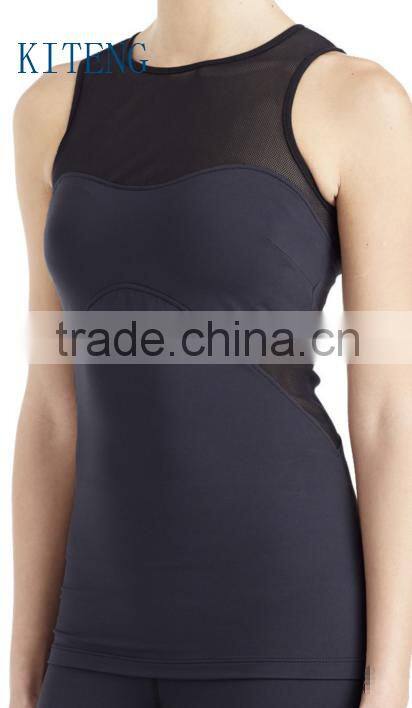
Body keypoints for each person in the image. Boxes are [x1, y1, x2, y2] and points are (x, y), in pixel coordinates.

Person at [10, 1, 412, 706]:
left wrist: (389, 684)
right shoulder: (52, 107)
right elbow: (50, 405)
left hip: (284, 639)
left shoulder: (354, 99)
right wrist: (22, 661)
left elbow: (388, 416)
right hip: (92, 637)